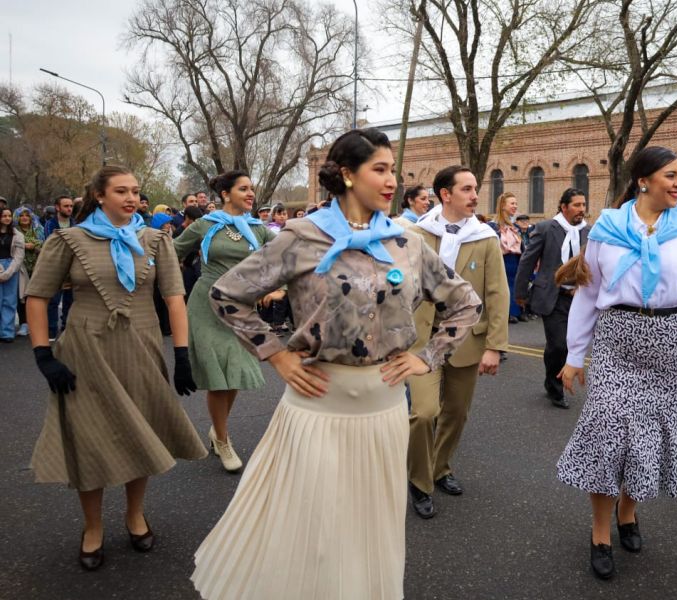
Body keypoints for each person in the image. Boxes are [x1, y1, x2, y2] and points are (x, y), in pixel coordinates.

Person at [191, 128, 480, 600]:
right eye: (380, 170)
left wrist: (427, 357)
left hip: (384, 410)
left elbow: (464, 302)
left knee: (372, 526)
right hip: (316, 408)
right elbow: (227, 294)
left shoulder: (405, 243)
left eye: (394, 171)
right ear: (346, 174)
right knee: (314, 530)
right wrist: (277, 355)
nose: (392, 181)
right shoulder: (302, 236)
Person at [556, 146, 677, 580]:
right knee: (608, 431)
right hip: (617, 341)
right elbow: (589, 293)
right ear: (643, 180)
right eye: (670, 175)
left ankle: (628, 512)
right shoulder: (605, 229)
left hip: (671, 341)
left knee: (650, 435)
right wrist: (574, 355)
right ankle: (599, 531)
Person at [24, 165, 206, 571]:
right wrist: (42, 355)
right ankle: (92, 527)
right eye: (120, 191)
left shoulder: (157, 240)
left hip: (140, 348)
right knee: (90, 441)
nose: (130, 198)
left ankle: (134, 515)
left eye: (135, 191)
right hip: (84, 353)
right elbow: (37, 297)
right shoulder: (68, 240)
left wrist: (181, 355)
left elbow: (175, 299)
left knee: (137, 434)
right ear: (100, 196)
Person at [406, 165, 509, 519]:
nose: (475, 195)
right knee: (423, 413)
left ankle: (440, 467)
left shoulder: (485, 237)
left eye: (475, 188)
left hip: (466, 339)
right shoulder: (417, 234)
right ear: (445, 194)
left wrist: (495, 346)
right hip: (422, 339)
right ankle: (419, 482)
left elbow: (497, 294)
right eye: (466, 189)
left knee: (456, 413)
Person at [173, 171, 278, 473]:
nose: (250, 194)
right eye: (243, 189)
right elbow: (173, 252)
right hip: (207, 303)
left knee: (234, 373)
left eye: (252, 189)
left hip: (241, 307)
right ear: (225, 194)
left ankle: (217, 430)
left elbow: (286, 252)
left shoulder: (258, 230)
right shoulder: (206, 225)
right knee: (219, 377)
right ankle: (222, 439)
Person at [514, 188, 589, 408]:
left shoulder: (589, 231)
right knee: (558, 345)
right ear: (564, 207)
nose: (581, 210)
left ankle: (553, 376)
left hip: (579, 297)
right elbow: (528, 261)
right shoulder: (546, 228)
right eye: (576, 205)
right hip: (553, 296)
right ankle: (554, 387)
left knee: (568, 343)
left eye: (583, 205)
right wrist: (520, 293)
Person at [44, 195, 76, 341]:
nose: (69, 209)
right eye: (66, 206)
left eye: (71, 206)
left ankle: (66, 328)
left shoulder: (75, 224)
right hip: (55, 267)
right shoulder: (50, 224)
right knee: (53, 301)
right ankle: (51, 330)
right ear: (58, 207)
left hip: (72, 268)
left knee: (70, 301)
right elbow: (50, 244)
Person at [492, 192, 526, 324]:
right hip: (502, 260)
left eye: (516, 203)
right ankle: (507, 313)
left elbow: (521, 246)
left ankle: (516, 311)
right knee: (504, 287)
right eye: (512, 203)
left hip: (515, 260)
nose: (515, 206)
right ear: (503, 206)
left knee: (515, 285)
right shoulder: (494, 226)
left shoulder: (514, 227)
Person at [14, 207, 45, 337]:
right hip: (20, 267)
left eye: (27, 215)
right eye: (22, 216)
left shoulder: (39, 229)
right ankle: (23, 323)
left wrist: (34, 246)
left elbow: (45, 244)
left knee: (35, 297)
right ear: (17, 218)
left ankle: (36, 324)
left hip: (37, 267)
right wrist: (24, 245)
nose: (25, 218)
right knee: (21, 297)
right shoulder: (14, 231)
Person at [0, 207, 24, 342]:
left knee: (9, 301)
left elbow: (19, 257)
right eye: (4, 216)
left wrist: (7, 273)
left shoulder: (17, 235)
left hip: (11, 268)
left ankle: (7, 332)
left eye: (9, 216)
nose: (7, 218)